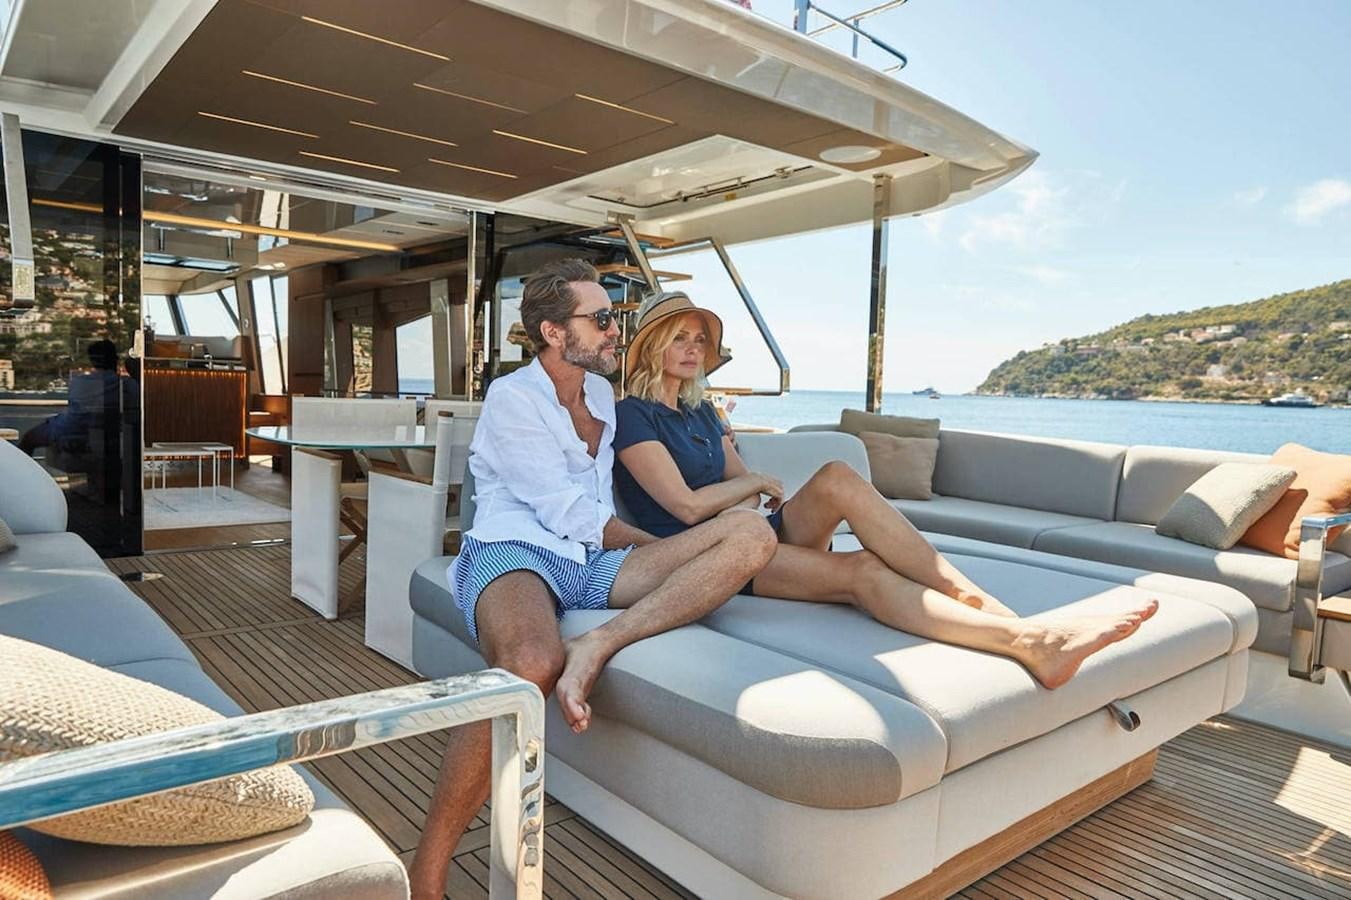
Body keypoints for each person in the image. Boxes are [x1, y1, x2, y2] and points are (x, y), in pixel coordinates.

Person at [409, 262, 776, 897]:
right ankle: (426, 874)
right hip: (514, 551)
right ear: (553, 332)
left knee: (753, 535)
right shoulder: (512, 398)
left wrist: (711, 461)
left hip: (587, 563)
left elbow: (601, 509)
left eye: (616, 319)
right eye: (603, 320)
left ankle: (599, 642)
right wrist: (674, 549)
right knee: (529, 659)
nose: (615, 331)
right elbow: (568, 512)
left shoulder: (603, 396)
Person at [613, 292, 1159, 691]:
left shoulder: (703, 412)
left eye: (698, 339)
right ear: (653, 347)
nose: (692, 349)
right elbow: (684, 506)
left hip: (752, 529)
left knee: (836, 477)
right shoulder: (632, 416)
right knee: (865, 571)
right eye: (678, 338)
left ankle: (979, 602)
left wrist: (746, 489)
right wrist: (751, 483)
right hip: (709, 555)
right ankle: (1030, 644)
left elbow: (743, 493)